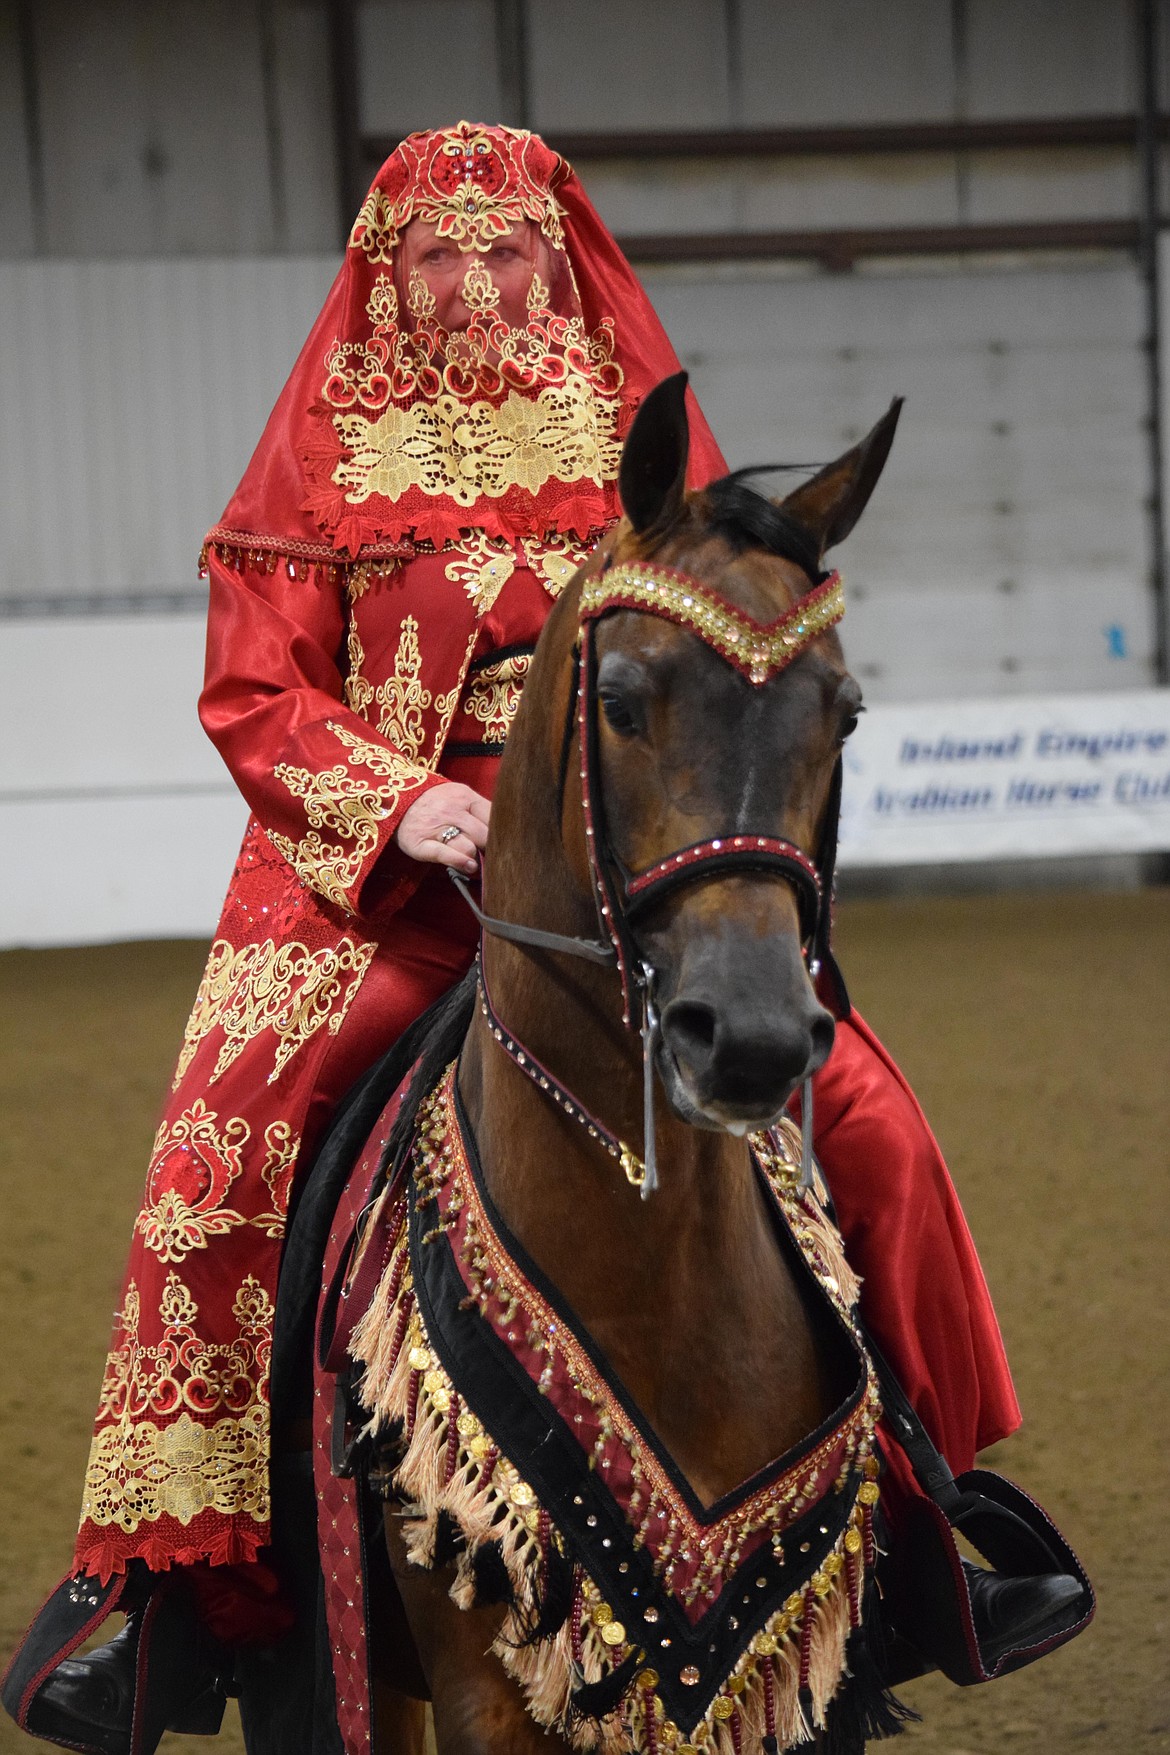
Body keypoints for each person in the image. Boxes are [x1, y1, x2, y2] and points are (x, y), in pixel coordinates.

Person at [7, 122, 1076, 1753]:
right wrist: (393, 802)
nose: (475, 282)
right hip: (386, 879)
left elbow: (730, 624)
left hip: (633, 862)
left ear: (552, 258)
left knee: (870, 1127)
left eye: (503, 251)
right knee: (219, 1170)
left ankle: (935, 1513)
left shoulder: (634, 429)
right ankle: (180, 1591)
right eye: (437, 254)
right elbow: (252, 691)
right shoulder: (328, 448)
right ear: (389, 270)